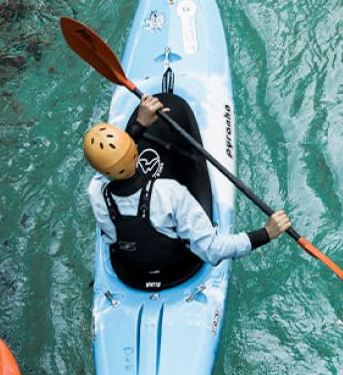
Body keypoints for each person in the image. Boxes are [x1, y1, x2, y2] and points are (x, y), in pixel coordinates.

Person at [85, 94, 292, 291]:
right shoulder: (169, 193)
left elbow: (110, 174)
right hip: (179, 267)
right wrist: (266, 233)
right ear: (134, 152)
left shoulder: (95, 191)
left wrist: (139, 125)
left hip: (131, 271)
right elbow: (212, 250)